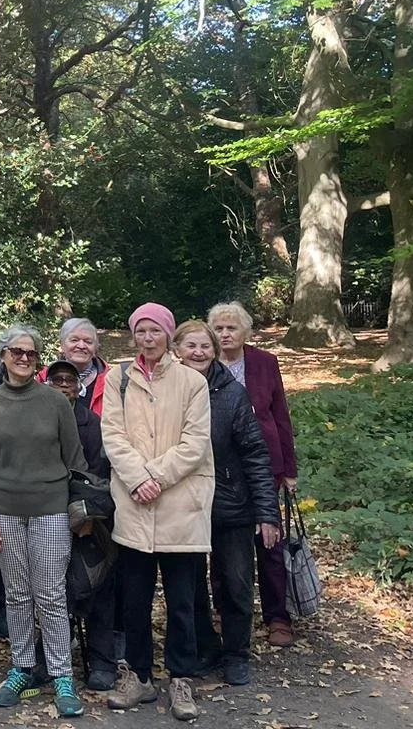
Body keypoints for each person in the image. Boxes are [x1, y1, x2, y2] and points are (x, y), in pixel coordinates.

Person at [101, 303, 213, 722]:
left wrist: (154, 477)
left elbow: (195, 442)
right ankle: (139, 676)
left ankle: (181, 678)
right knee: (135, 600)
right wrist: (136, 478)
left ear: (169, 335)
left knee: (183, 601)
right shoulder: (118, 378)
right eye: (141, 331)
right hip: (134, 504)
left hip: (179, 504)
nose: (148, 339)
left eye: (155, 331)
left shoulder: (192, 382)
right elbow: (112, 434)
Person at [0, 327, 86, 716]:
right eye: (16, 352)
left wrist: (80, 510)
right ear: (3, 355)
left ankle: (61, 675)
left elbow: (75, 460)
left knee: (50, 594)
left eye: (31, 353)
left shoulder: (55, 401)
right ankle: (21, 667)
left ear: (38, 360)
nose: (23, 358)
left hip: (51, 510)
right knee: (17, 594)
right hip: (4, 512)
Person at [176, 321, 280, 686]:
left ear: (215, 351)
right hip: (184, 503)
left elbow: (255, 453)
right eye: (191, 346)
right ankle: (205, 647)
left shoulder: (232, 392)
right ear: (177, 350)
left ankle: (236, 653)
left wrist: (267, 512)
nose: (198, 352)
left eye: (205, 346)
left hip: (231, 502)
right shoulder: (170, 389)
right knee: (189, 586)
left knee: (236, 583)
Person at [207, 301, 298, 648]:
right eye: (219, 328)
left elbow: (281, 415)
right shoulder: (203, 364)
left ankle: (278, 616)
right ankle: (223, 607)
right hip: (220, 465)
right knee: (222, 540)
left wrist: (288, 469)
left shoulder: (264, 362)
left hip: (263, 463)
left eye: (231, 328)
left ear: (245, 332)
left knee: (269, 540)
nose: (225, 334)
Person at [46, 358, 117, 691]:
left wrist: (85, 513)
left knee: (97, 587)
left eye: (69, 381)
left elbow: (101, 476)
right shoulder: (38, 419)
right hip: (47, 516)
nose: (63, 385)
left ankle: (102, 661)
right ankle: (52, 658)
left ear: (79, 388)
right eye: (57, 380)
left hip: (91, 521)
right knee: (53, 591)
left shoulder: (94, 424)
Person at [39, 318, 107, 414]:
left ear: (95, 348)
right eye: (74, 340)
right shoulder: (43, 379)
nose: (81, 346)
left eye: (88, 341)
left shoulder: (111, 380)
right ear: (62, 345)